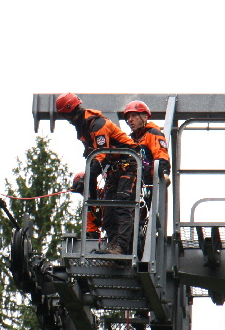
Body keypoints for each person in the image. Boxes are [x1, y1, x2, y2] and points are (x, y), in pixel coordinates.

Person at [55, 92, 139, 255]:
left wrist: (88, 177)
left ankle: (122, 246)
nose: (67, 120)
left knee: (122, 204)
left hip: (130, 164)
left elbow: (100, 156)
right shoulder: (85, 128)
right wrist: (88, 188)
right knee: (108, 211)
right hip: (115, 168)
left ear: (70, 111)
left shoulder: (96, 124)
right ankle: (114, 245)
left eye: (65, 116)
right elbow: (95, 160)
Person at [122, 100, 170, 191]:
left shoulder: (152, 133)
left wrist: (164, 173)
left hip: (147, 183)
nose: (130, 120)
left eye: (134, 115)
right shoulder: (131, 140)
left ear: (145, 117)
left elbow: (161, 153)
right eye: (128, 117)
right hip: (133, 182)